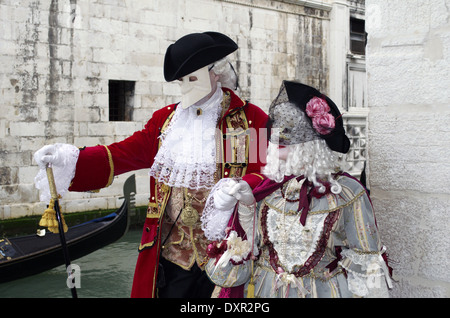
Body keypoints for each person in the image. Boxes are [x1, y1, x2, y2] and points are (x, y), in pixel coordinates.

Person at [33, 32, 269, 298]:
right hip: (171, 257)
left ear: (216, 73)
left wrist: (243, 187)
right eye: (182, 82)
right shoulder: (166, 121)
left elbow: (264, 175)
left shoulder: (248, 120)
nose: (187, 88)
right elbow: (122, 154)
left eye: (193, 79)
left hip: (226, 257)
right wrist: (69, 158)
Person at [202, 80, 393, 298]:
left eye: (291, 129)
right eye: (277, 127)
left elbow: (366, 259)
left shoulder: (348, 192)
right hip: (267, 291)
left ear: (314, 141)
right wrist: (246, 206)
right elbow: (252, 246)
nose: (278, 135)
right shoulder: (270, 188)